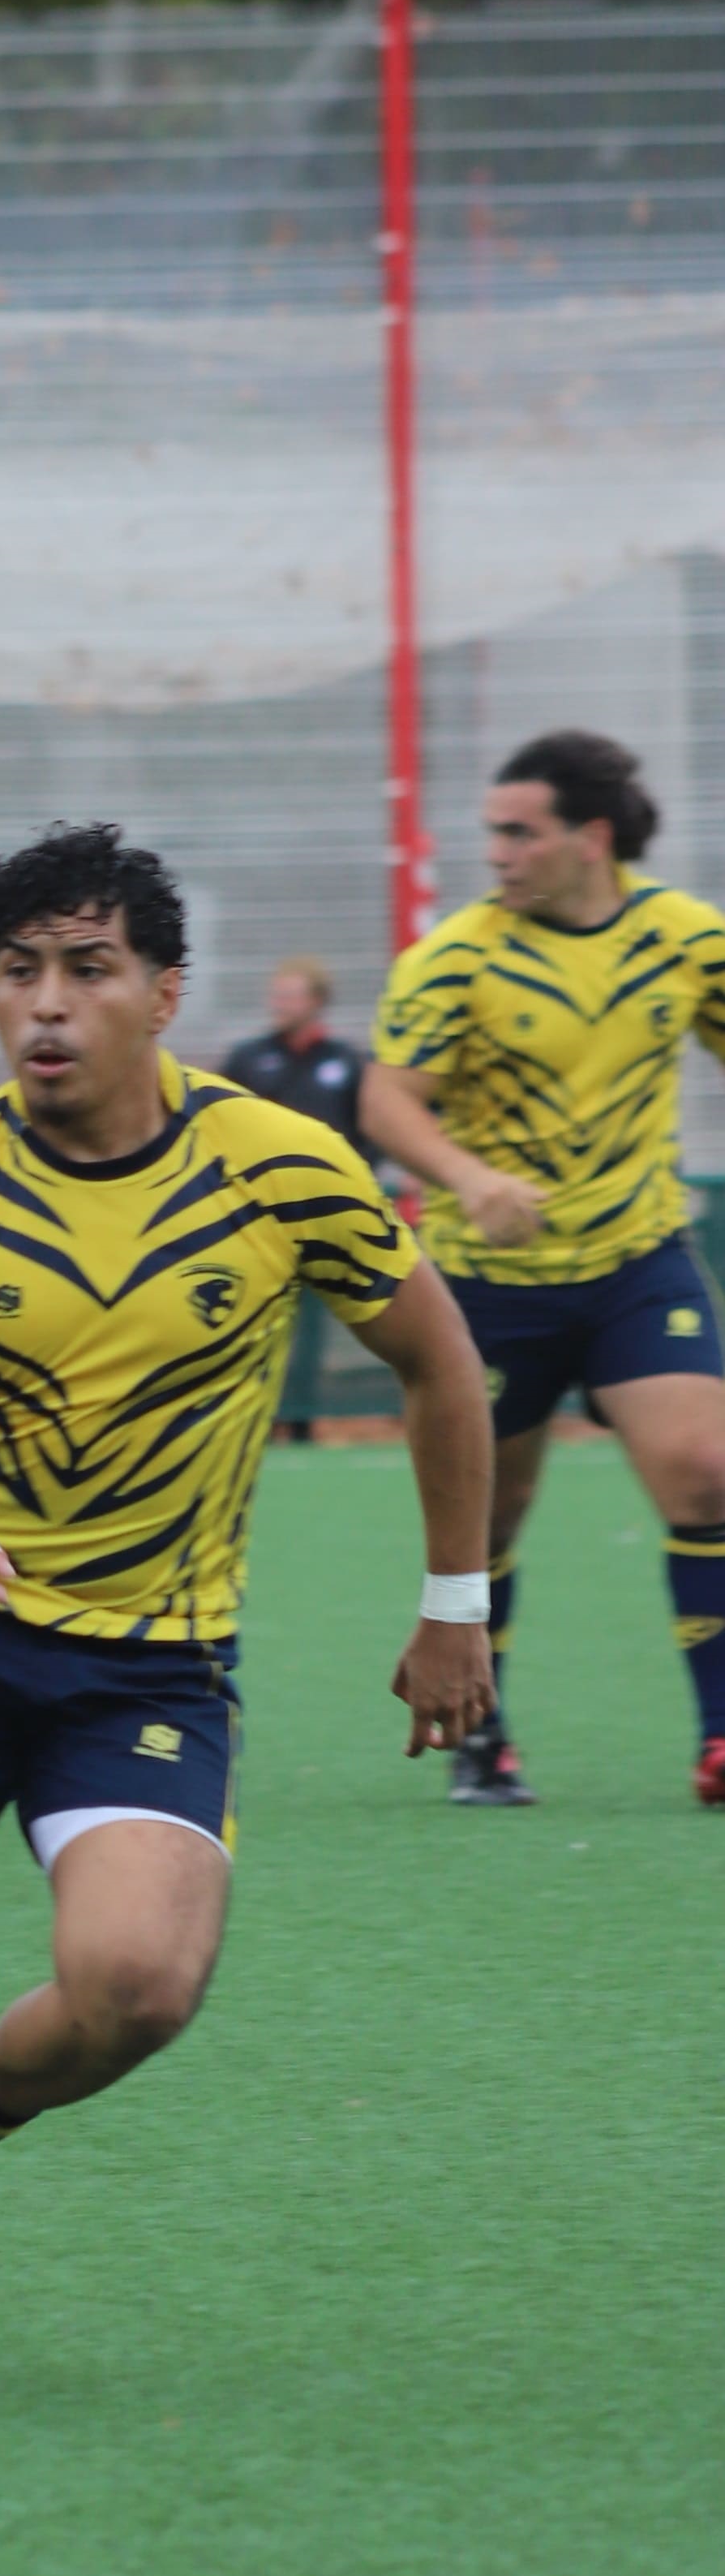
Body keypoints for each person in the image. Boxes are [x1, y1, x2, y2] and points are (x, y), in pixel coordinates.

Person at [0, 821, 493, 2402]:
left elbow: (440, 1366)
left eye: (85, 969)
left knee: (140, 1988)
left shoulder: (277, 1165)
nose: (45, 1006)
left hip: (151, 1659)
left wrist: (454, 1607)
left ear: (161, 993)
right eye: (15, 973)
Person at [360, 731, 725, 1808]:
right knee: (492, 1516)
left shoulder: (687, 940)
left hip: (637, 1260)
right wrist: (468, 1178)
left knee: (708, 1470)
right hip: (486, 1285)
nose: (500, 854)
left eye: (521, 833)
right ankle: (483, 1736)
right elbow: (388, 1102)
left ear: (591, 839)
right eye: (494, 834)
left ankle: (720, 1738)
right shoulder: (457, 956)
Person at [218, 957, 372, 1444]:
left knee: (316, 1324)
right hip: (256, 1216)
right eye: (276, 995)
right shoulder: (247, 1060)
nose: (280, 1005)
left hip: (326, 1216)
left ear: (317, 1002)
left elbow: (371, 1127)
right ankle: (254, 1419)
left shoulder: (346, 1063)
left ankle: (303, 1419)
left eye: (292, 995)